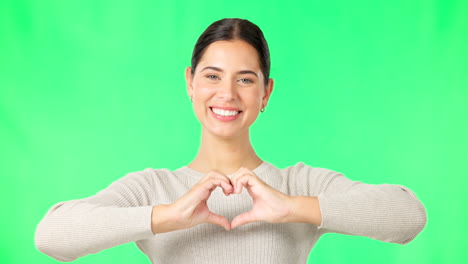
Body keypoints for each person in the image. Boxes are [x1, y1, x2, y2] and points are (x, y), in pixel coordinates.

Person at [34, 18, 427, 264]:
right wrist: (167, 216)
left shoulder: (297, 185)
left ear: (266, 92)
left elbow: (408, 217)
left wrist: (291, 208)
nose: (227, 94)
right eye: (212, 76)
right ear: (189, 82)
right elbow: (52, 237)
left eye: (245, 79)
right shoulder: (154, 189)